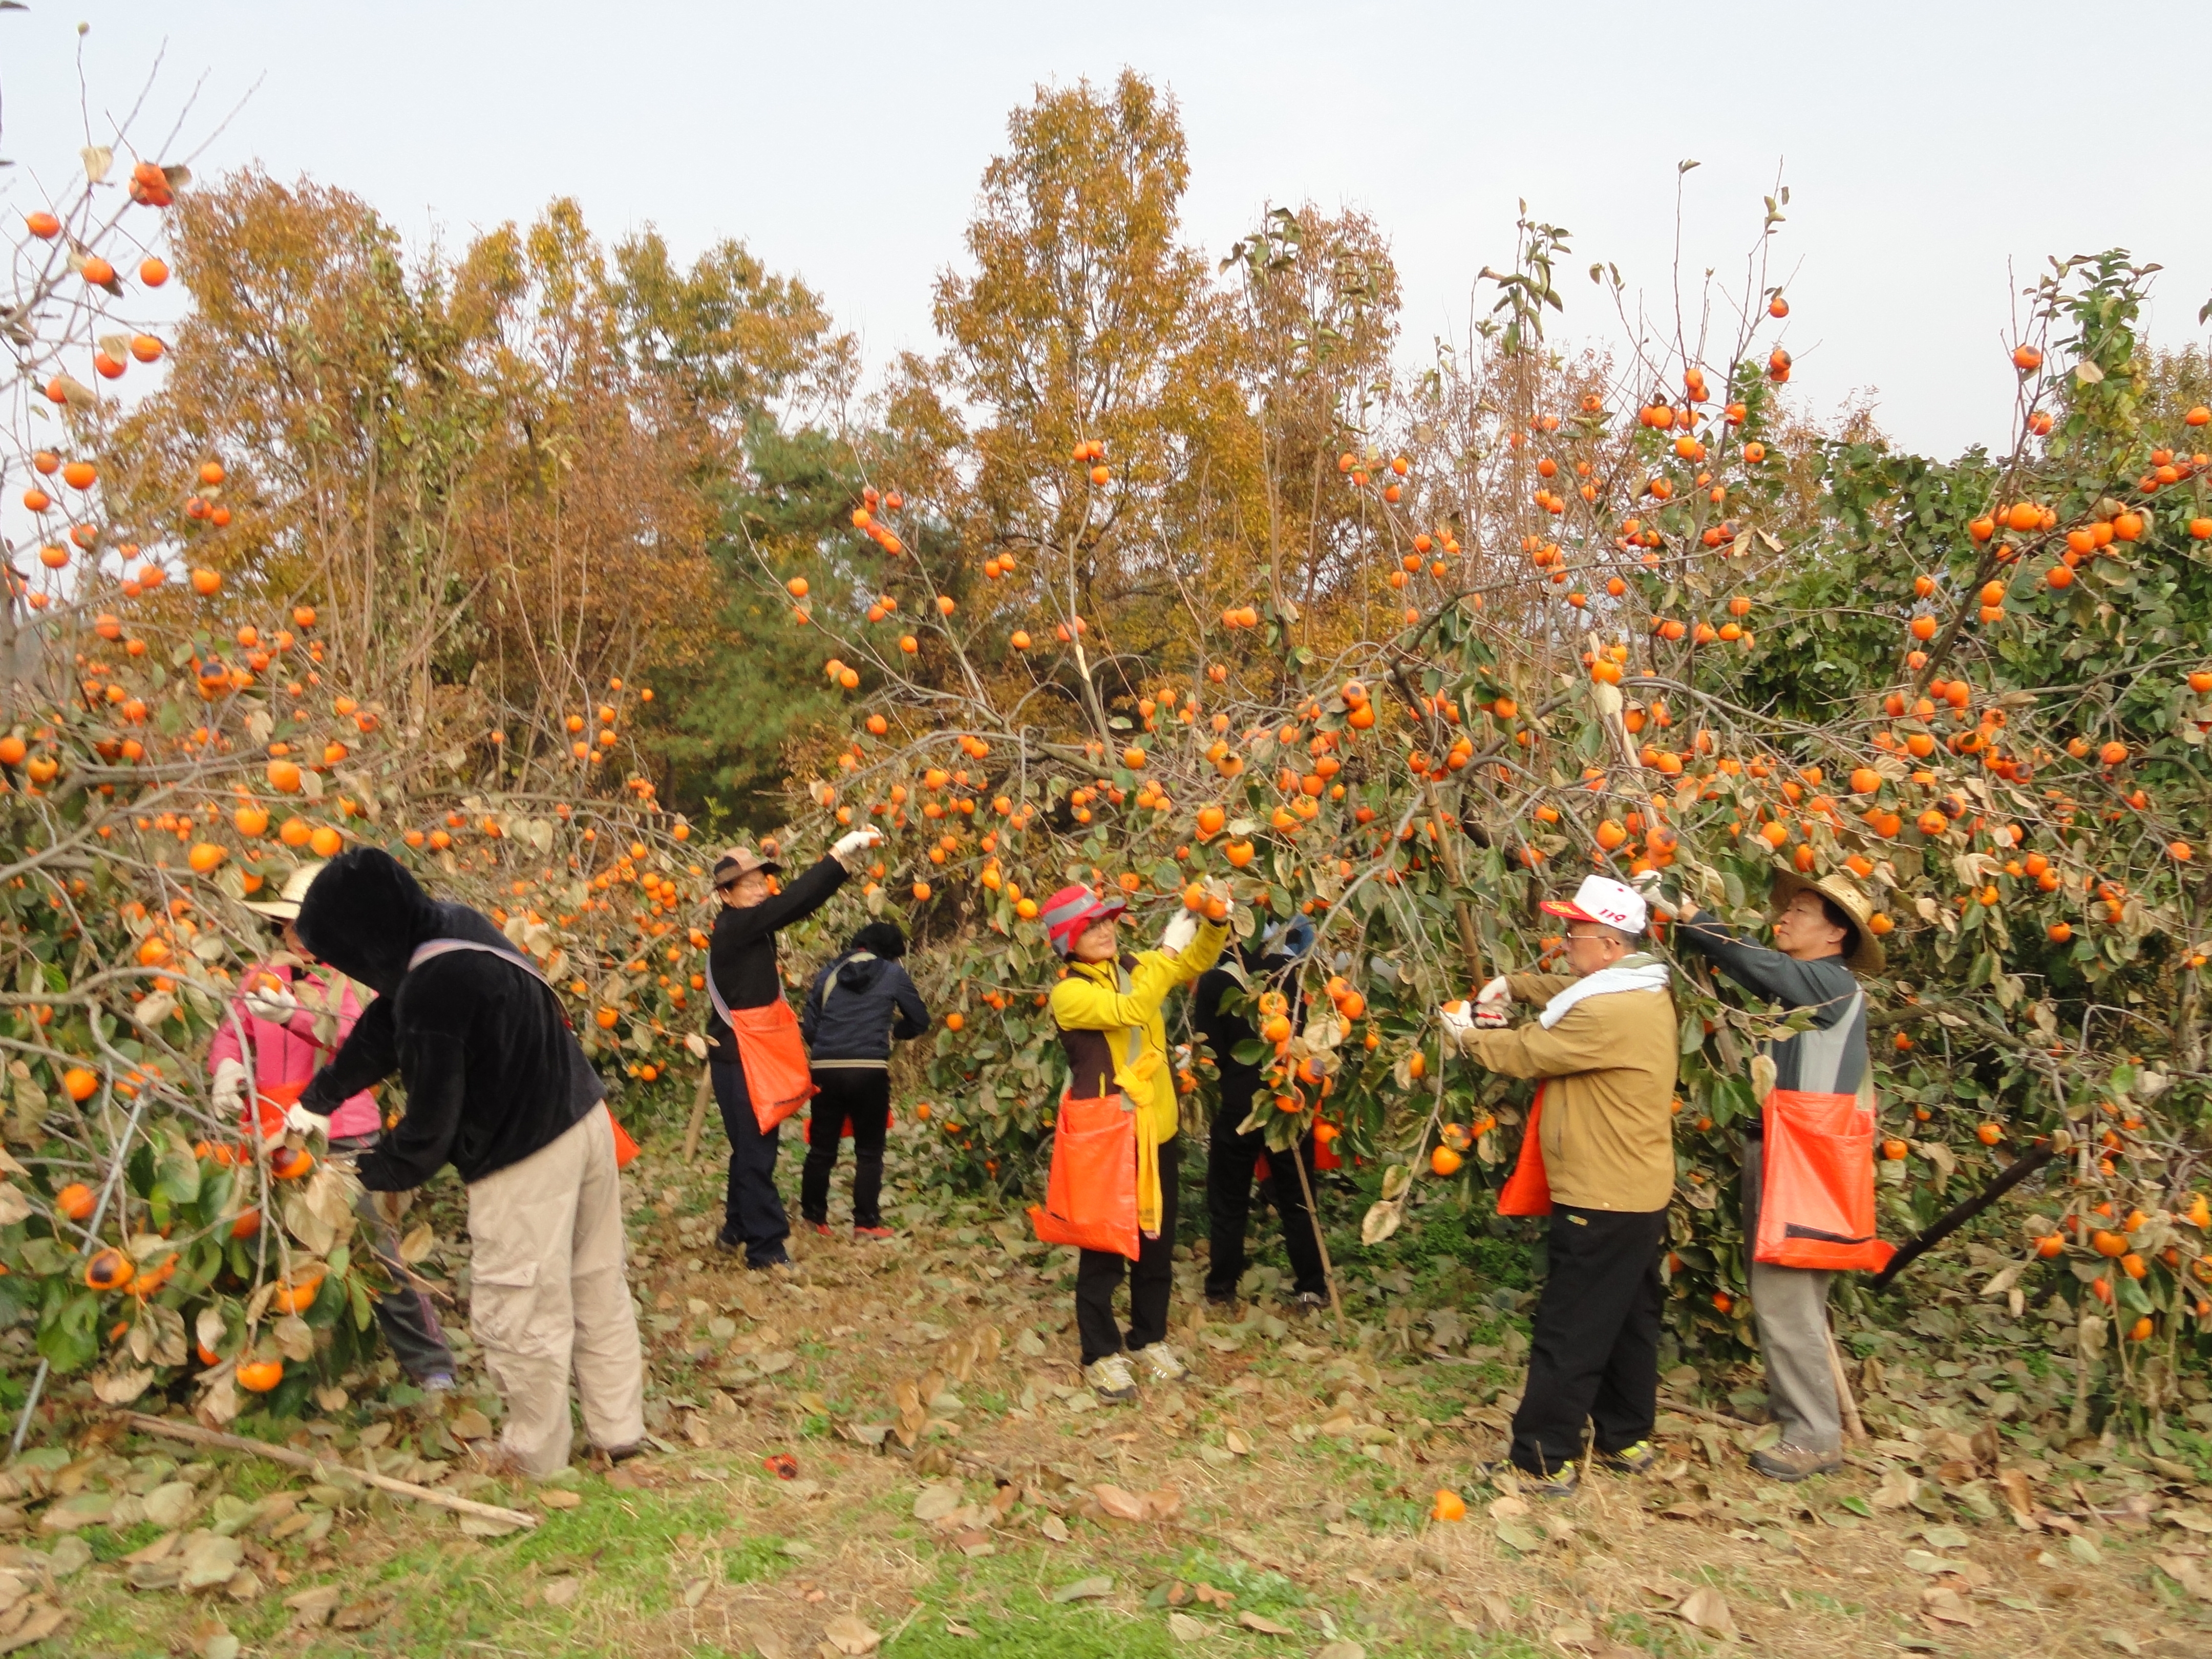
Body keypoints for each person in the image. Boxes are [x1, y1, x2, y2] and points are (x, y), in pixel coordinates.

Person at [292, 848, 643, 1480]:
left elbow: (428, 1131)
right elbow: (386, 1022)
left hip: (525, 1156)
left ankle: (535, 1457)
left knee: (521, 1307)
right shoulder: (454, 927)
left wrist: (357, 1176)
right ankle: (619, 1431)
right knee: (596, 1281)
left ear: (361, 941)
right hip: (583, 1119)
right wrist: (320, 1098)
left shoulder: (433, 989)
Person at [1438, 873, 1676, 1496]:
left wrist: (1466, 1034)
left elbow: (1527, 1052)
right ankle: (1628, 1437)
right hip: (1636, 1189)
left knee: (1571, 1326)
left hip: (1601, 1194)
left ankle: (1545, 1457)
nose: (1566, 941)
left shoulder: (1606, 1010)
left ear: (1610, 945)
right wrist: (1511, 984)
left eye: (1575, 933)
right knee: (1627, 1318)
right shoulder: (1639, 987)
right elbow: (1567, 989)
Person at [1648, 868, 1883, 1482]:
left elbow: (1754, 963)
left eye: (1802, 912)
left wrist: (1688, 913)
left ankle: (1814, 1436)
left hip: (1806, 1159)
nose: (1786, 919)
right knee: (1781, 1290)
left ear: (1836, 934)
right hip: (1795, 1151)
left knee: (1787, 1295)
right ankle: (1795, 1414)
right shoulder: (1807, 988)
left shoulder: (1827, 984)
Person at [211, 863, 455, 1393]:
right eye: (289, 926)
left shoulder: (354, 979)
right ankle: (306, 1368)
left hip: (343, 1133)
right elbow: (232, 1034)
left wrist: (293, 1015)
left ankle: (431, 1365)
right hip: (273, 1135)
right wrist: (226, 1067)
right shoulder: (261, 978)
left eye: (305, 924)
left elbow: (356, 1043)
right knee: (281, 1255)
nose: (295, 936)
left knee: (377, 1252)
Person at [1043, 883, 1229, 1402]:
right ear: (1067, 943)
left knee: (1156, 1244)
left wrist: (1212, 923)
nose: (1103, 932)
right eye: (1088, 928)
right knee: (1104, 1249)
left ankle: (1149, 1339)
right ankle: (1100, 1356)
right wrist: (1167, 952)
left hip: (1155, 1128)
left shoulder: (1134, 964)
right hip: (1106, 1135)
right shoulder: (1070, 994)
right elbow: (1131, 1008)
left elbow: (1192, 961)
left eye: (1105, 922)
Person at [705, 832, 881, 1268]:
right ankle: (766, 1249)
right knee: (756, 1150)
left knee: (750, 1146)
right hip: (742, 1054)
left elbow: (789, 904)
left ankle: (736, 1228)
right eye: (750, 884)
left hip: (748, 1049)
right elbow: (796, 902)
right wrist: (839, 856)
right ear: (726, 895)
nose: (762, 889)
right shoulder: (736, 927)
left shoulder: (744, 926)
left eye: (763, 880)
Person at [1192, 917, 1328, 1310]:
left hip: (1238, 1107)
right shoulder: (1293, 976)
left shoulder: (1217, 982)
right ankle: (1312, 1286)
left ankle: (1222, 1290)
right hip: (1288, 1100)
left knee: (1229, 1200)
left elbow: (1210, 1053)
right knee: (1297, 1198)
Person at [797, 919, 930, 1239]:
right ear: (889, 953)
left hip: (826, 1068)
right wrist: (895, 1032)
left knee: (822, 1148)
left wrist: (832, 1046)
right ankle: (866, 1223)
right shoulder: (893, 974)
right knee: (869, 1150)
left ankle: (813, 1220)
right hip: (869, 1069)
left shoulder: (829, 973)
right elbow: (920, 1020)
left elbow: (810, 1028)